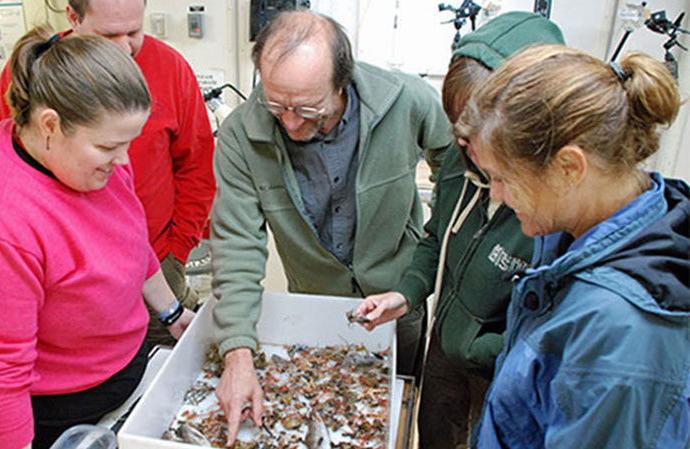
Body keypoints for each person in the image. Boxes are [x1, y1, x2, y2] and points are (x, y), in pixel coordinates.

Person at [0, 27, 194, 449]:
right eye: (109, 147)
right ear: (51, 124)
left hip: (120, 373)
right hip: (50, 409)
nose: (122, 160)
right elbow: (1, 380)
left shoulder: (92, 161)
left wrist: (173, 313)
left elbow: (131, 242)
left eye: (126, 144)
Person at [210, 10, 456, 445]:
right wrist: (237, 353)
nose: (290, 122)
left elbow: (457, 179)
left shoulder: (408, 101)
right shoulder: (238, 138)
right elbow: (237, 244)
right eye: (276, 105)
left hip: (400, 304)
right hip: (314, 309)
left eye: (307, 108)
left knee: (395, 420)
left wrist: (427, 261)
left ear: (342, 80)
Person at [453, 45, 690, 447]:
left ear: (569, 168)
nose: (496, 194)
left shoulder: (621, 335)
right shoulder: (573, 237)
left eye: (502, 177)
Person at [354, 12, 564, 449]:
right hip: (445, 350)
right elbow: (437, 236)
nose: (463, 149)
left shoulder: (555, 203)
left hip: (504, 370)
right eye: (457, 133)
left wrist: (478, 348)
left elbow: (560, 328)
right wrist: (408, 292)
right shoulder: (458, 158)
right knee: (435, 434)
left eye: (475, 138)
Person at [0, 0, 215, 347]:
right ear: (73, 17)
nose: (125, 48)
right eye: (109, 34)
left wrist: (176, 250)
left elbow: (198, 167)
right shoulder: (36, 71)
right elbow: (7, 172)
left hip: (155, 257)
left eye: (134, 32)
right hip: (67, 275)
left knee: (164, 360)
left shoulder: (171, 69)